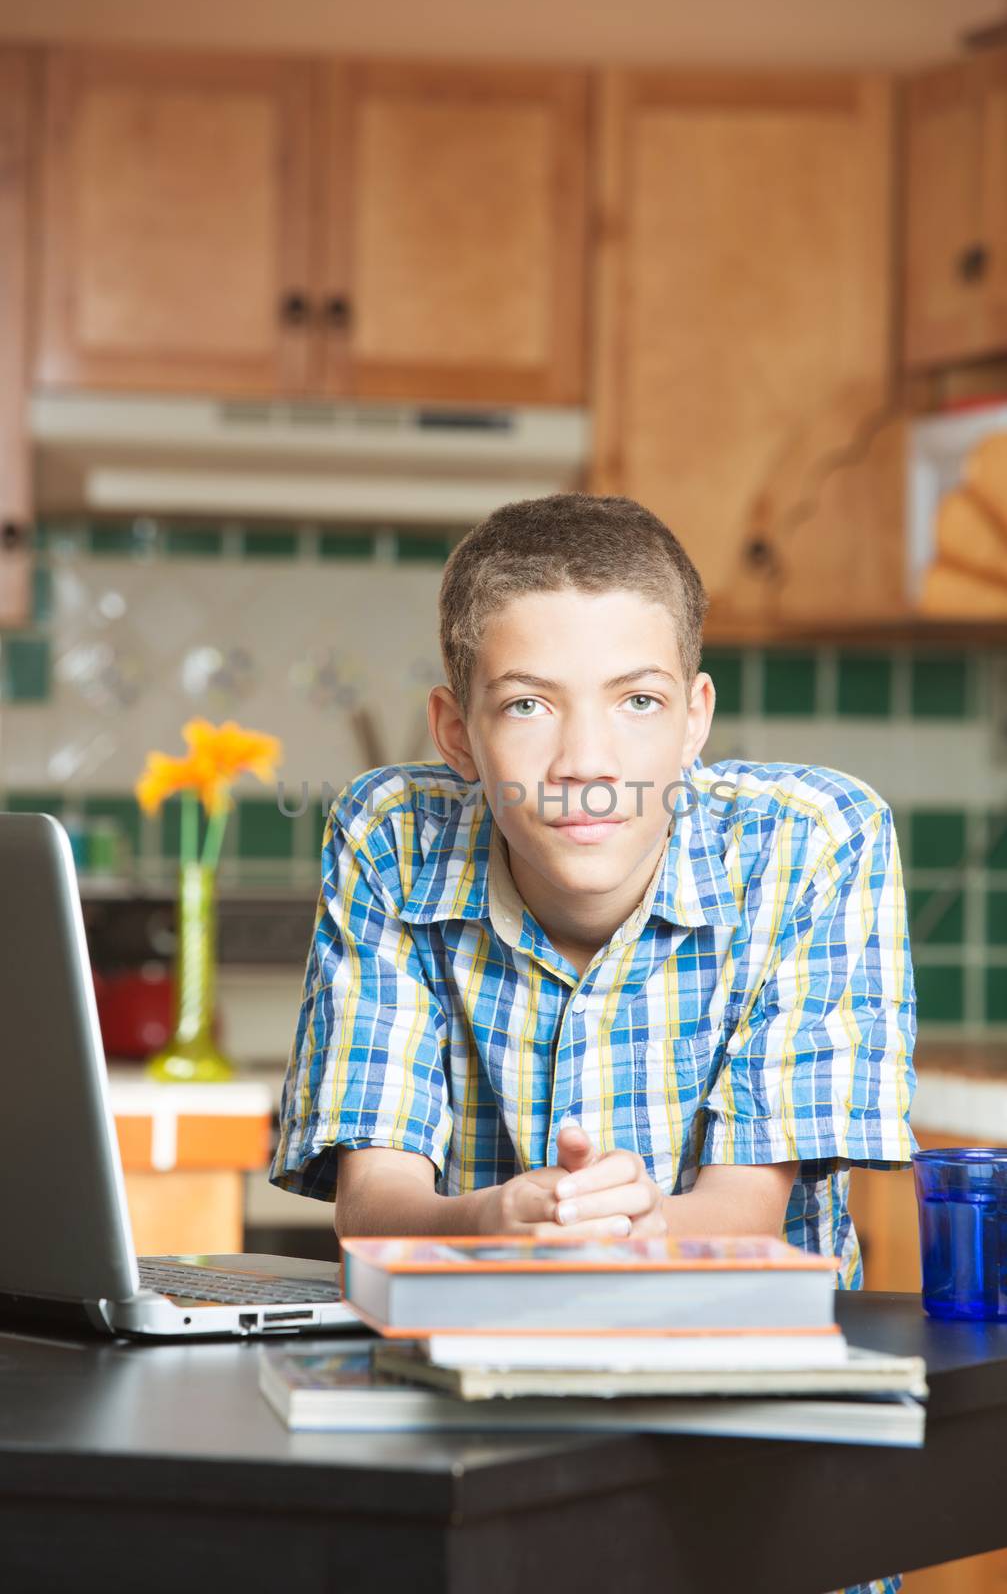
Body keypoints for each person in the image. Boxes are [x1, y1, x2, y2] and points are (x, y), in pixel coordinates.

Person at [270, 492, 917, 1594]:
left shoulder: (814, 842)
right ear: (456, 731)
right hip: (476, 1459)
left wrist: (600, 1225)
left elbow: (741, 1217)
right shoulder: (389, 835)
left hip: (756, 1475)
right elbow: (373, 1205)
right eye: (526, 704)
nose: (585, 759)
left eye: (637, 701)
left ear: (695, 718)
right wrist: (493, 1218)